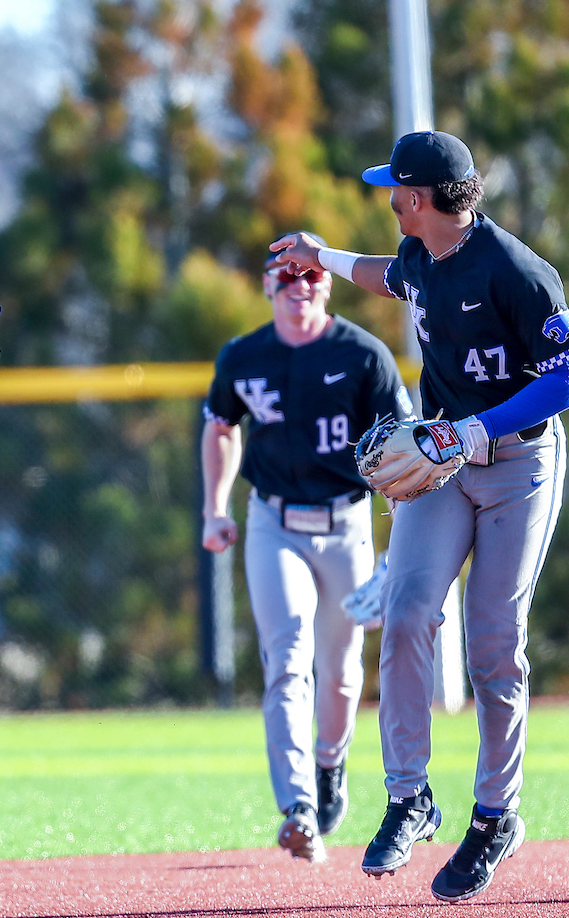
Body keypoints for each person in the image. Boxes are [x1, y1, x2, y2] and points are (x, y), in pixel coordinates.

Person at [272, 130, 569, 901]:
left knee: (492, 644)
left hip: (517, 463)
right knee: (409, 612)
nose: (387, 196)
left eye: (394, 187)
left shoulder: (515, 270)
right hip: (441, 464)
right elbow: (393, 279)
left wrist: (475, 428)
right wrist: (327, 257)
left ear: (416, 198)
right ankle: (410, 796)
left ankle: (494, 815)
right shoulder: (422, 253)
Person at [201, 237, 412, 862]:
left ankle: (329, 764)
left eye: (311, 276)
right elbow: (220, 426)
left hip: (346, 521)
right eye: (287, 278)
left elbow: (403, 447)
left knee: (343, 673)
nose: (301, 287)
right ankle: (296, 804)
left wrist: (400, 542)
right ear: (268, 287)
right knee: (287, 656)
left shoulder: (363, 355)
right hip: (275, 522)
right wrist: (215, 507)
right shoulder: (245, 356)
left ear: (328, 283)